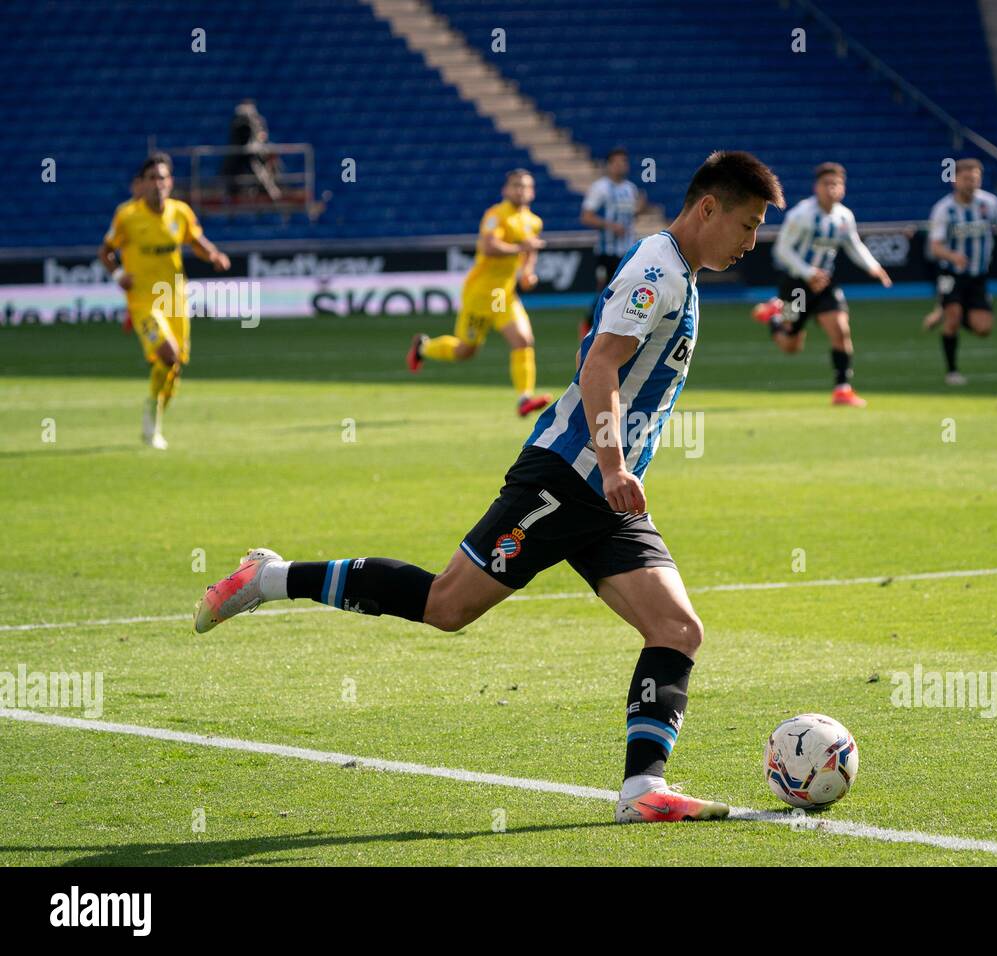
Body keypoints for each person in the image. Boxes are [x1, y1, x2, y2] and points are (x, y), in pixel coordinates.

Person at [196, 151, 786, 824]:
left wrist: (617, 471)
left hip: (605, 497)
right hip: (568, 479)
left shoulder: (675, 270)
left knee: (677, 628)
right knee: (448, 605)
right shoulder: (658, 269)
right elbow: (599, 365)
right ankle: (268, 579)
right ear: (708, 208)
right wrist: (615, 461)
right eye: (748, 223)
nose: (752, 242)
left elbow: (593, 354)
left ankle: (642, 791)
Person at [99, 153, 231, 449]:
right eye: (152, 178)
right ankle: (152, 418)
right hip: (144, 301)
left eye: (162, 177)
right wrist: (118, 273)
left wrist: (213, 255)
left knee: (175, 367)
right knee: (167, 354)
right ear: (142, 184)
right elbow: (105, 252)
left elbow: (195, 240)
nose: (157, 183)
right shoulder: (127, 216)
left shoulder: (180, 213)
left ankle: (153, 412)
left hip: (175, 299)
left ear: (170, 182)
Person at [407, 169, 552, 417]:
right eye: (516, 185)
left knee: (523, 340)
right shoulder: (496, 215)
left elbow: (531, 249)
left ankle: (524, 398)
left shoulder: (533, 221)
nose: (521, 190)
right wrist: (521, 247)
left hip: (503, 295)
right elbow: (490, 246)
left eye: (526, 186)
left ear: (532, 192)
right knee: (465, 351)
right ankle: (423, 348)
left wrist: (527, 271)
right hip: (480, 294)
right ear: (505, 190)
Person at [752, 162, 891, 406]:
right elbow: (782, 249)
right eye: (827, 184)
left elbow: (854, 244)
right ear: (817, 187)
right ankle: (774, 318)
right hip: (796, 285)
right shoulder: (802, 215)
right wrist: (807, 272)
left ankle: (842, 389)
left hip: (826, 284)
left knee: (841, 330)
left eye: (836, 184)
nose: (832, 189)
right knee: (791, 346)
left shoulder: (844, 216)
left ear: (843, 188)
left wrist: (874, 267)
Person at [923, 158, 997, 385]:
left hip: (978, 275)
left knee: (983, 329)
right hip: (951, 274)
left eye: (976, 178)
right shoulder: (944, 209)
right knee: (953, 321)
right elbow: (936, 247)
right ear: (955, 180)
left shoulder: (989, 203)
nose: (972, 182)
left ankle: (946, 309)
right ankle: (952, 371)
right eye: (967, 178)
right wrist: (953, 256)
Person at [578, 147, 642, 340]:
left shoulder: (630, 189)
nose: (621, 165)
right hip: (606, 252)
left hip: (626, 251)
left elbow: (629, 218)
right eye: (617, 162)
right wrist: (610, 226)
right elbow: (586, 217)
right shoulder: (601, 187)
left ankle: (615, 329)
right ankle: (589, 325)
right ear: (608, 165)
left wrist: (640, 210)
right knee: (605, 290)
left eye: (624, 162)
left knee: (624, 290)